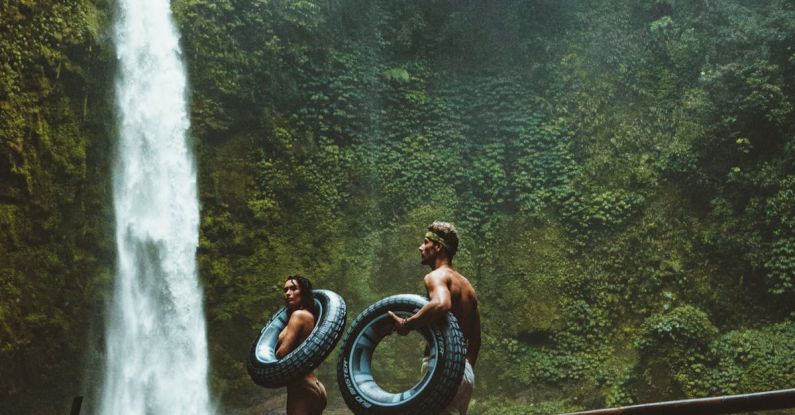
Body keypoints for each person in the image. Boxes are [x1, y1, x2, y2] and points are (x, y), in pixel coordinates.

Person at [388, 221, 481, 415]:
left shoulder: (436, 276)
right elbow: (476, 340)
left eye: (425, 242)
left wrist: (407, 324)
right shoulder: (468, 287)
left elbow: (441, 304)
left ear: (438, 247)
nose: (420, 247)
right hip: (464, 371)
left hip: (442, 367)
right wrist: (462, 368)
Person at [276, 275, 327, 415]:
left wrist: (273, 357)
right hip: (315, 385)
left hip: (300, 388)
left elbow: (282, 353)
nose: (288, 293)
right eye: (285, 290)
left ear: (303, 292)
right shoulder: (310, 316)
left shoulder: (297, 316)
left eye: (293, 288)